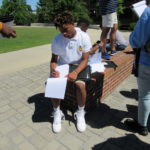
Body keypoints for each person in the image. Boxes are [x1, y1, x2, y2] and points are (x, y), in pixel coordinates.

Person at [50, 12, 91, 133]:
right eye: (61, 31)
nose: (64, 33)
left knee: (80, 85)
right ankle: (57, 113)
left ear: (72, 24)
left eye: (66, 29)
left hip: (79, 64)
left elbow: (85, 59)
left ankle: (80, 112)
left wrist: (76, 72)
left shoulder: (83, 36)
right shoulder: (57, 40)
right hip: (63, 65)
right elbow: (53, 60)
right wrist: (53, 70)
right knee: (53, 84)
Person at [124, 3, 150, 136]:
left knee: (145, 95)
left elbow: (136, 41)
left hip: (147, 62)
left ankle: (142, 125)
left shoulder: (148, 12)